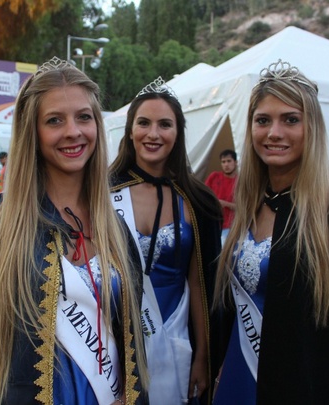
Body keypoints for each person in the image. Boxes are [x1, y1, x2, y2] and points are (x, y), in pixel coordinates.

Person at [0, 57, 148, 405]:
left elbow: (132, 340)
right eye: (54, 120)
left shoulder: (114, 228)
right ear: (32, 132)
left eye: (84, 117)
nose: (73, 131)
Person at [212, 60, 329, 405]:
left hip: (299, 386)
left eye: (290, 119)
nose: (274, 133)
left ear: (312, 128)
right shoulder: (251, 202)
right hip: (237, 378)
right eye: (263, 120)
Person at [109, 77, 222, 404]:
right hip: (112, 337)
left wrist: (203, 356)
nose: (153, 134)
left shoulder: (199, 201)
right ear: (130, 130)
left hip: (175, 337)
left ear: (178, 133)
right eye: (143, 123)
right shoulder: (102, 193)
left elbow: (202, 284)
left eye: (165, 124)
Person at [205, 149, 238, 242]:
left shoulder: (240, 182)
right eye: (223, 162)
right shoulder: (214, 176)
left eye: (229, 161)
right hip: (212, 223)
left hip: (230, 227)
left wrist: (225, 204)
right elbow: (203, 197)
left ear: (236, 162)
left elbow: (244, 208)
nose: (226, 165)